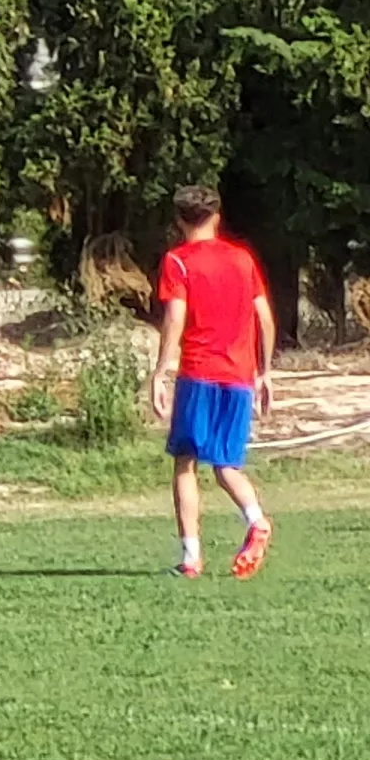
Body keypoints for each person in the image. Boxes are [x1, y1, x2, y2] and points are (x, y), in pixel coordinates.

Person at [154, 185, 276, 579]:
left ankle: (191, 558)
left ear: (179, 221)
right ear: (217, 217)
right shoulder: (242, 259)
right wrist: (265, 371)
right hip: (240, 375)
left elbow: (175, 316)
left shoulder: (178, 261)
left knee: (185, 462)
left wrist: (160, 371)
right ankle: (256, 520)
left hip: (199, 372)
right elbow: (264, 317)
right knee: (226, 464)